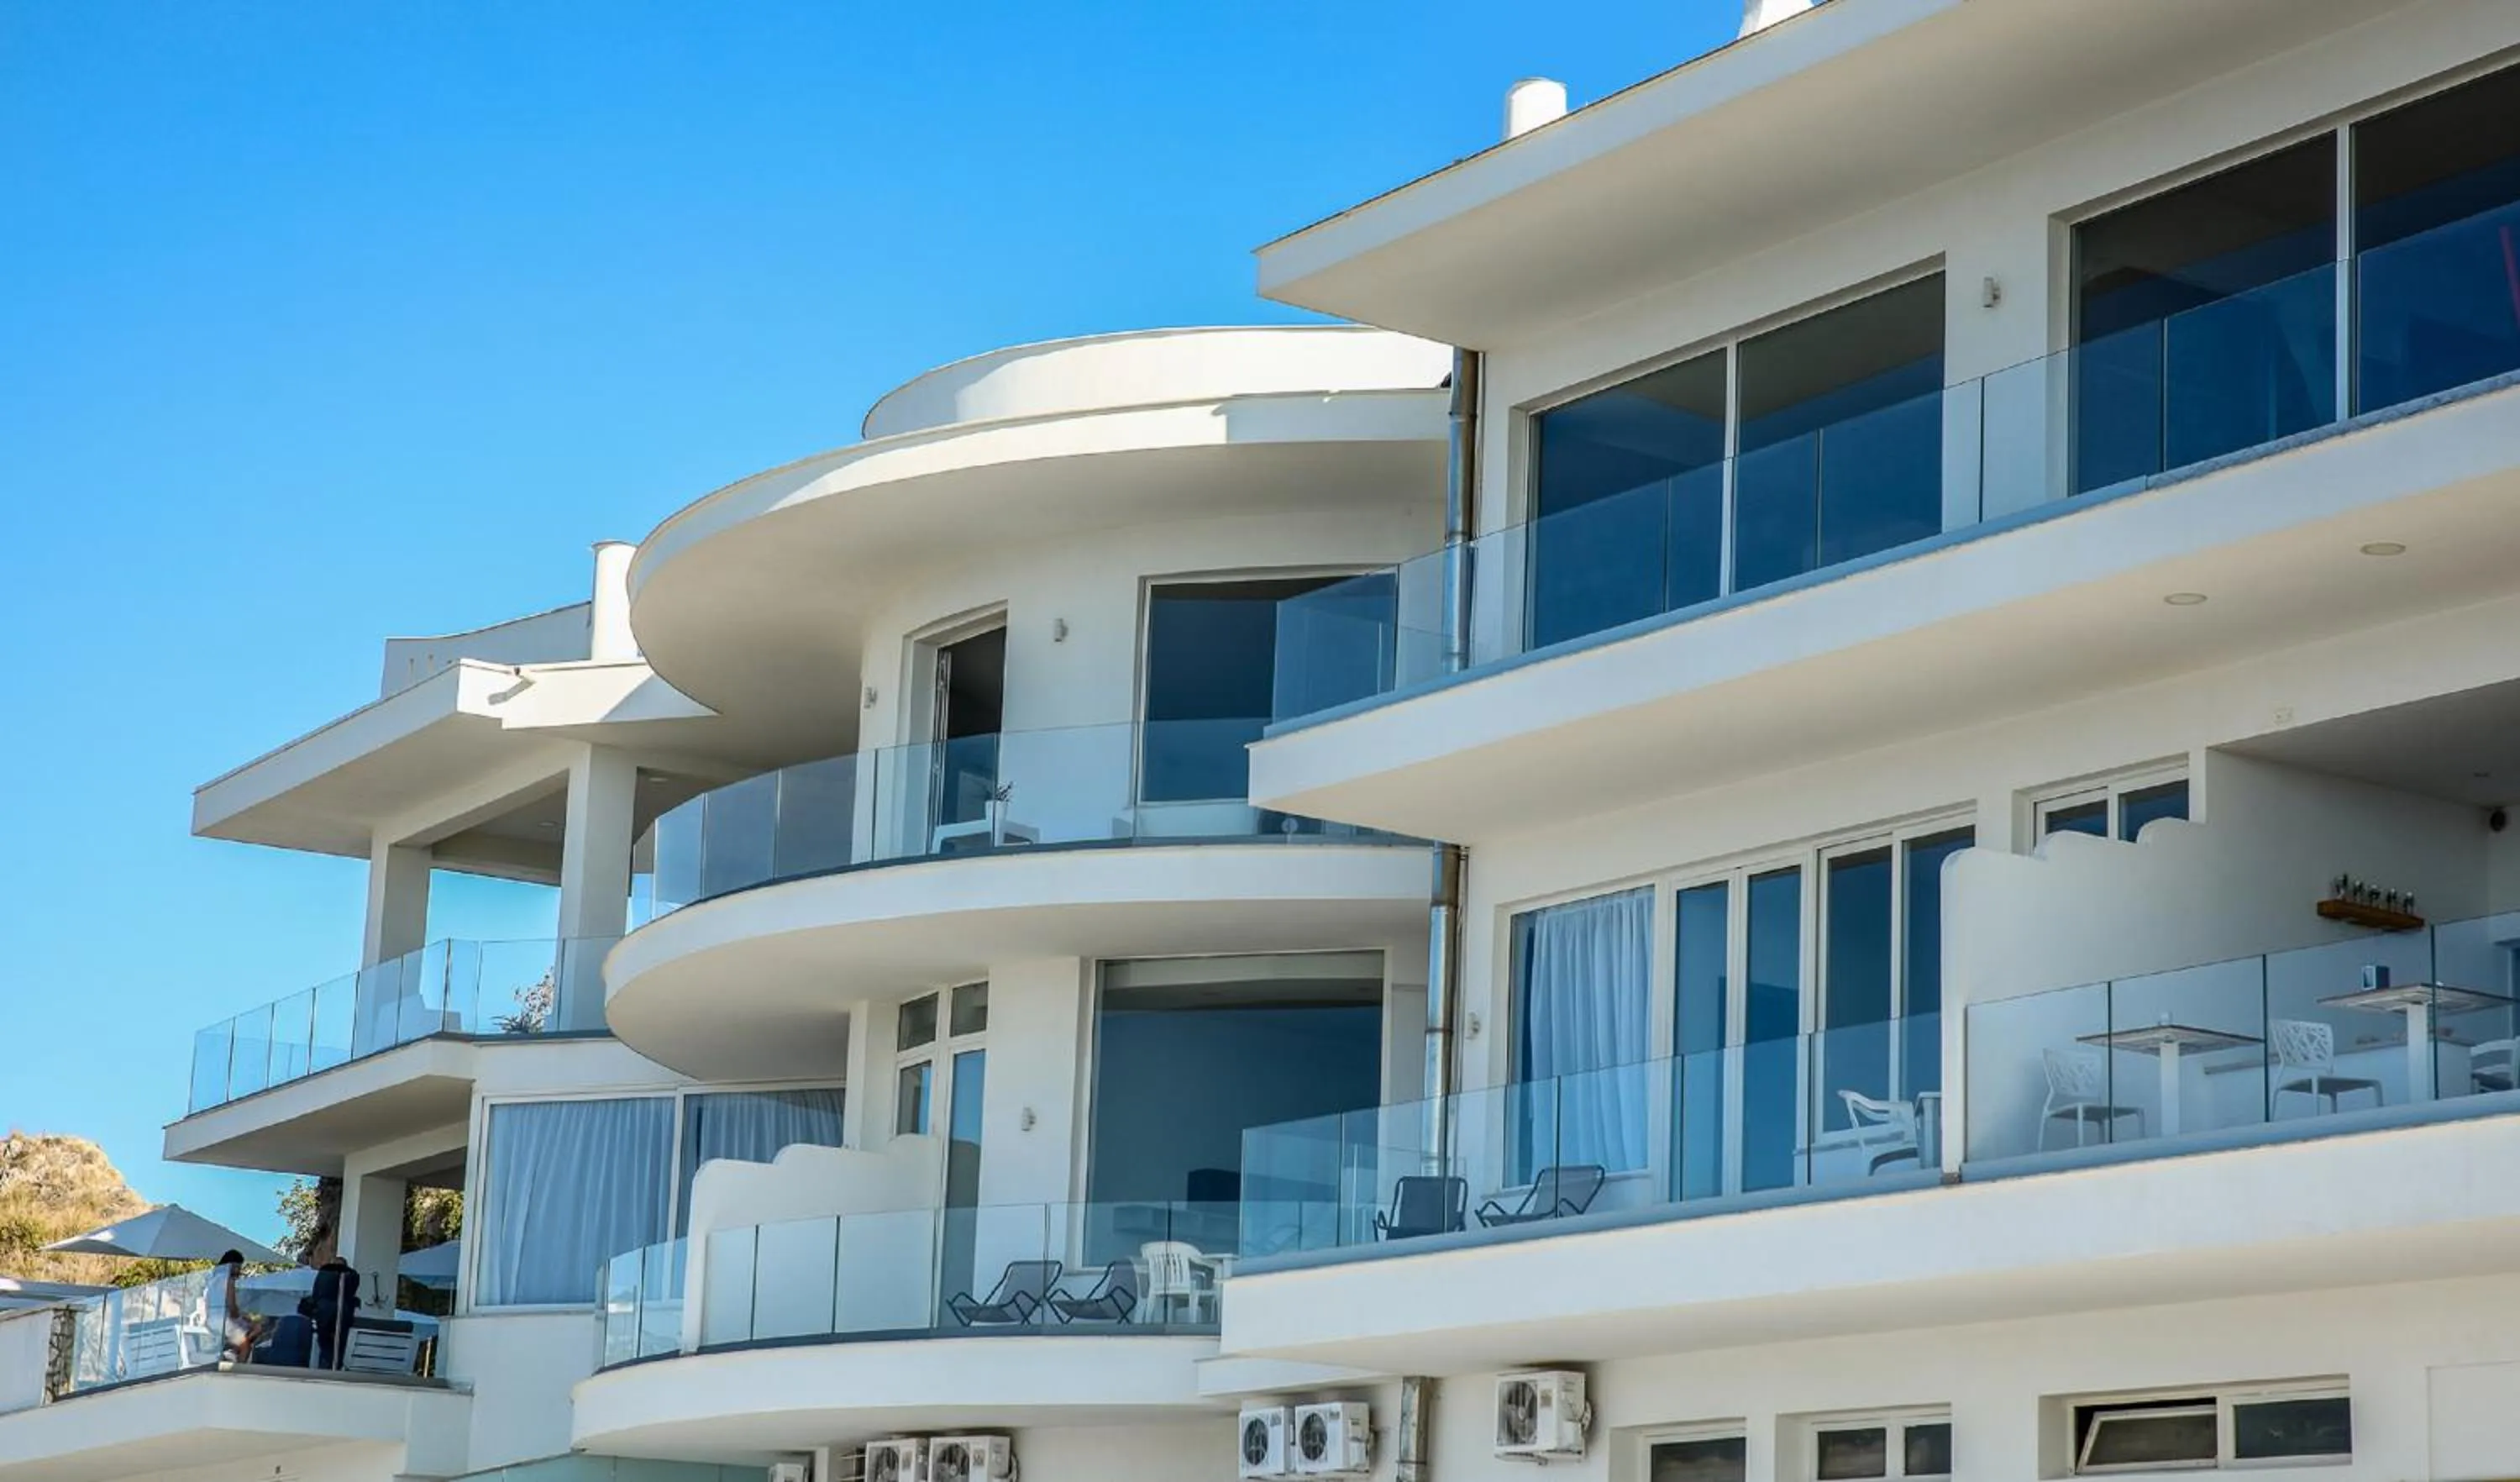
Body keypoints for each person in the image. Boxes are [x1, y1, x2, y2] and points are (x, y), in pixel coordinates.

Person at [310, 1257, 360, 1370]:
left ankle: (327, 1366)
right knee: (341, 1343)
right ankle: (335, 1366)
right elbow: (352, 1292)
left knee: (325, 1343)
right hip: (344, 1312)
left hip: (324, 1313)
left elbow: (316, 1294)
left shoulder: (323, 1275)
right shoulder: (352, 1276)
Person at [213, 1249, 255, 1363]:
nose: (239, 1271)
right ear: (230, 1265)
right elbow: (232, 1308)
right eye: (237, 1267)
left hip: (212, 1319)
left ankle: (233, 1351)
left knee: (247, 1327)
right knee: (247, 1345)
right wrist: (241, 1316)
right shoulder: (228, 1280)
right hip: (223, 1322)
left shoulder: (213, 1279)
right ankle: (238, 1371)